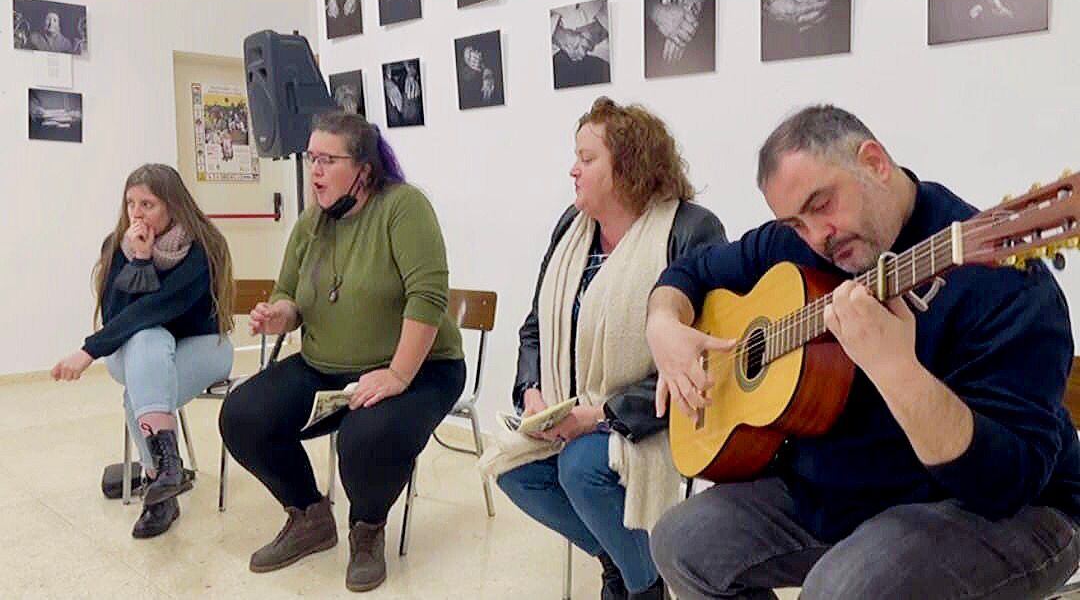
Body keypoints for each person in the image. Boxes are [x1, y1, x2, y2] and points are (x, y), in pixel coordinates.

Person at [645, 104, 1080, 599]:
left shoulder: (1007, 286)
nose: (816, 238)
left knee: (843, 589)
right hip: (851, 493)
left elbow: (1003, 484)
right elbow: (692, 273)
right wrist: (663, 325)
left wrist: (896, 370)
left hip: (1009, 510)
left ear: (874, 162)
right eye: (795, 224)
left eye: (822, 204)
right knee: (682, 541)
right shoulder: (798, 245)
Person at [480, 97, 726, 600]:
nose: (573, 170)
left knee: (582, 467)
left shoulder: (690, 230)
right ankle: (624, 561)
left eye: (587, 159)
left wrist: (598, 415)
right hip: (574, 409)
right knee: (513, 468)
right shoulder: (570, 231)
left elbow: (704, 353)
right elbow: (535, 328)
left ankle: (642, 587)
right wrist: (533, 392)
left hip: (655, 416)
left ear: (630, 168)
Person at [218, 112, 464, 592]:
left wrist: (397, 375)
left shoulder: (404, 207)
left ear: (364, 170)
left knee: (365, 435)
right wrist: (279, 314)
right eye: (312, 159)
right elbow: (290, 295)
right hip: (325, 366)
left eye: (327, 160)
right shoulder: (312, 222)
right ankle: (309, 516)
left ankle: (367, 530)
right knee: (242, 415)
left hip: (422, 368)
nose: (315, 171)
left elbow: (428, 299)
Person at [51, 163, 235, 538]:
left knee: (140, 389)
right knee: (148, 341)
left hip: (202, 346)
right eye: (131, 202)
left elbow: (160, 307)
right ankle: (168, 470)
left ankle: (160, 486)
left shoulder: (202, 247)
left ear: (173, 206)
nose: (136, 213)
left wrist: (88, 352)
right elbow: (118, 316)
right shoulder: (117, 245)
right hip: (137, 350)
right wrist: (138, 260)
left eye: (147, 204)